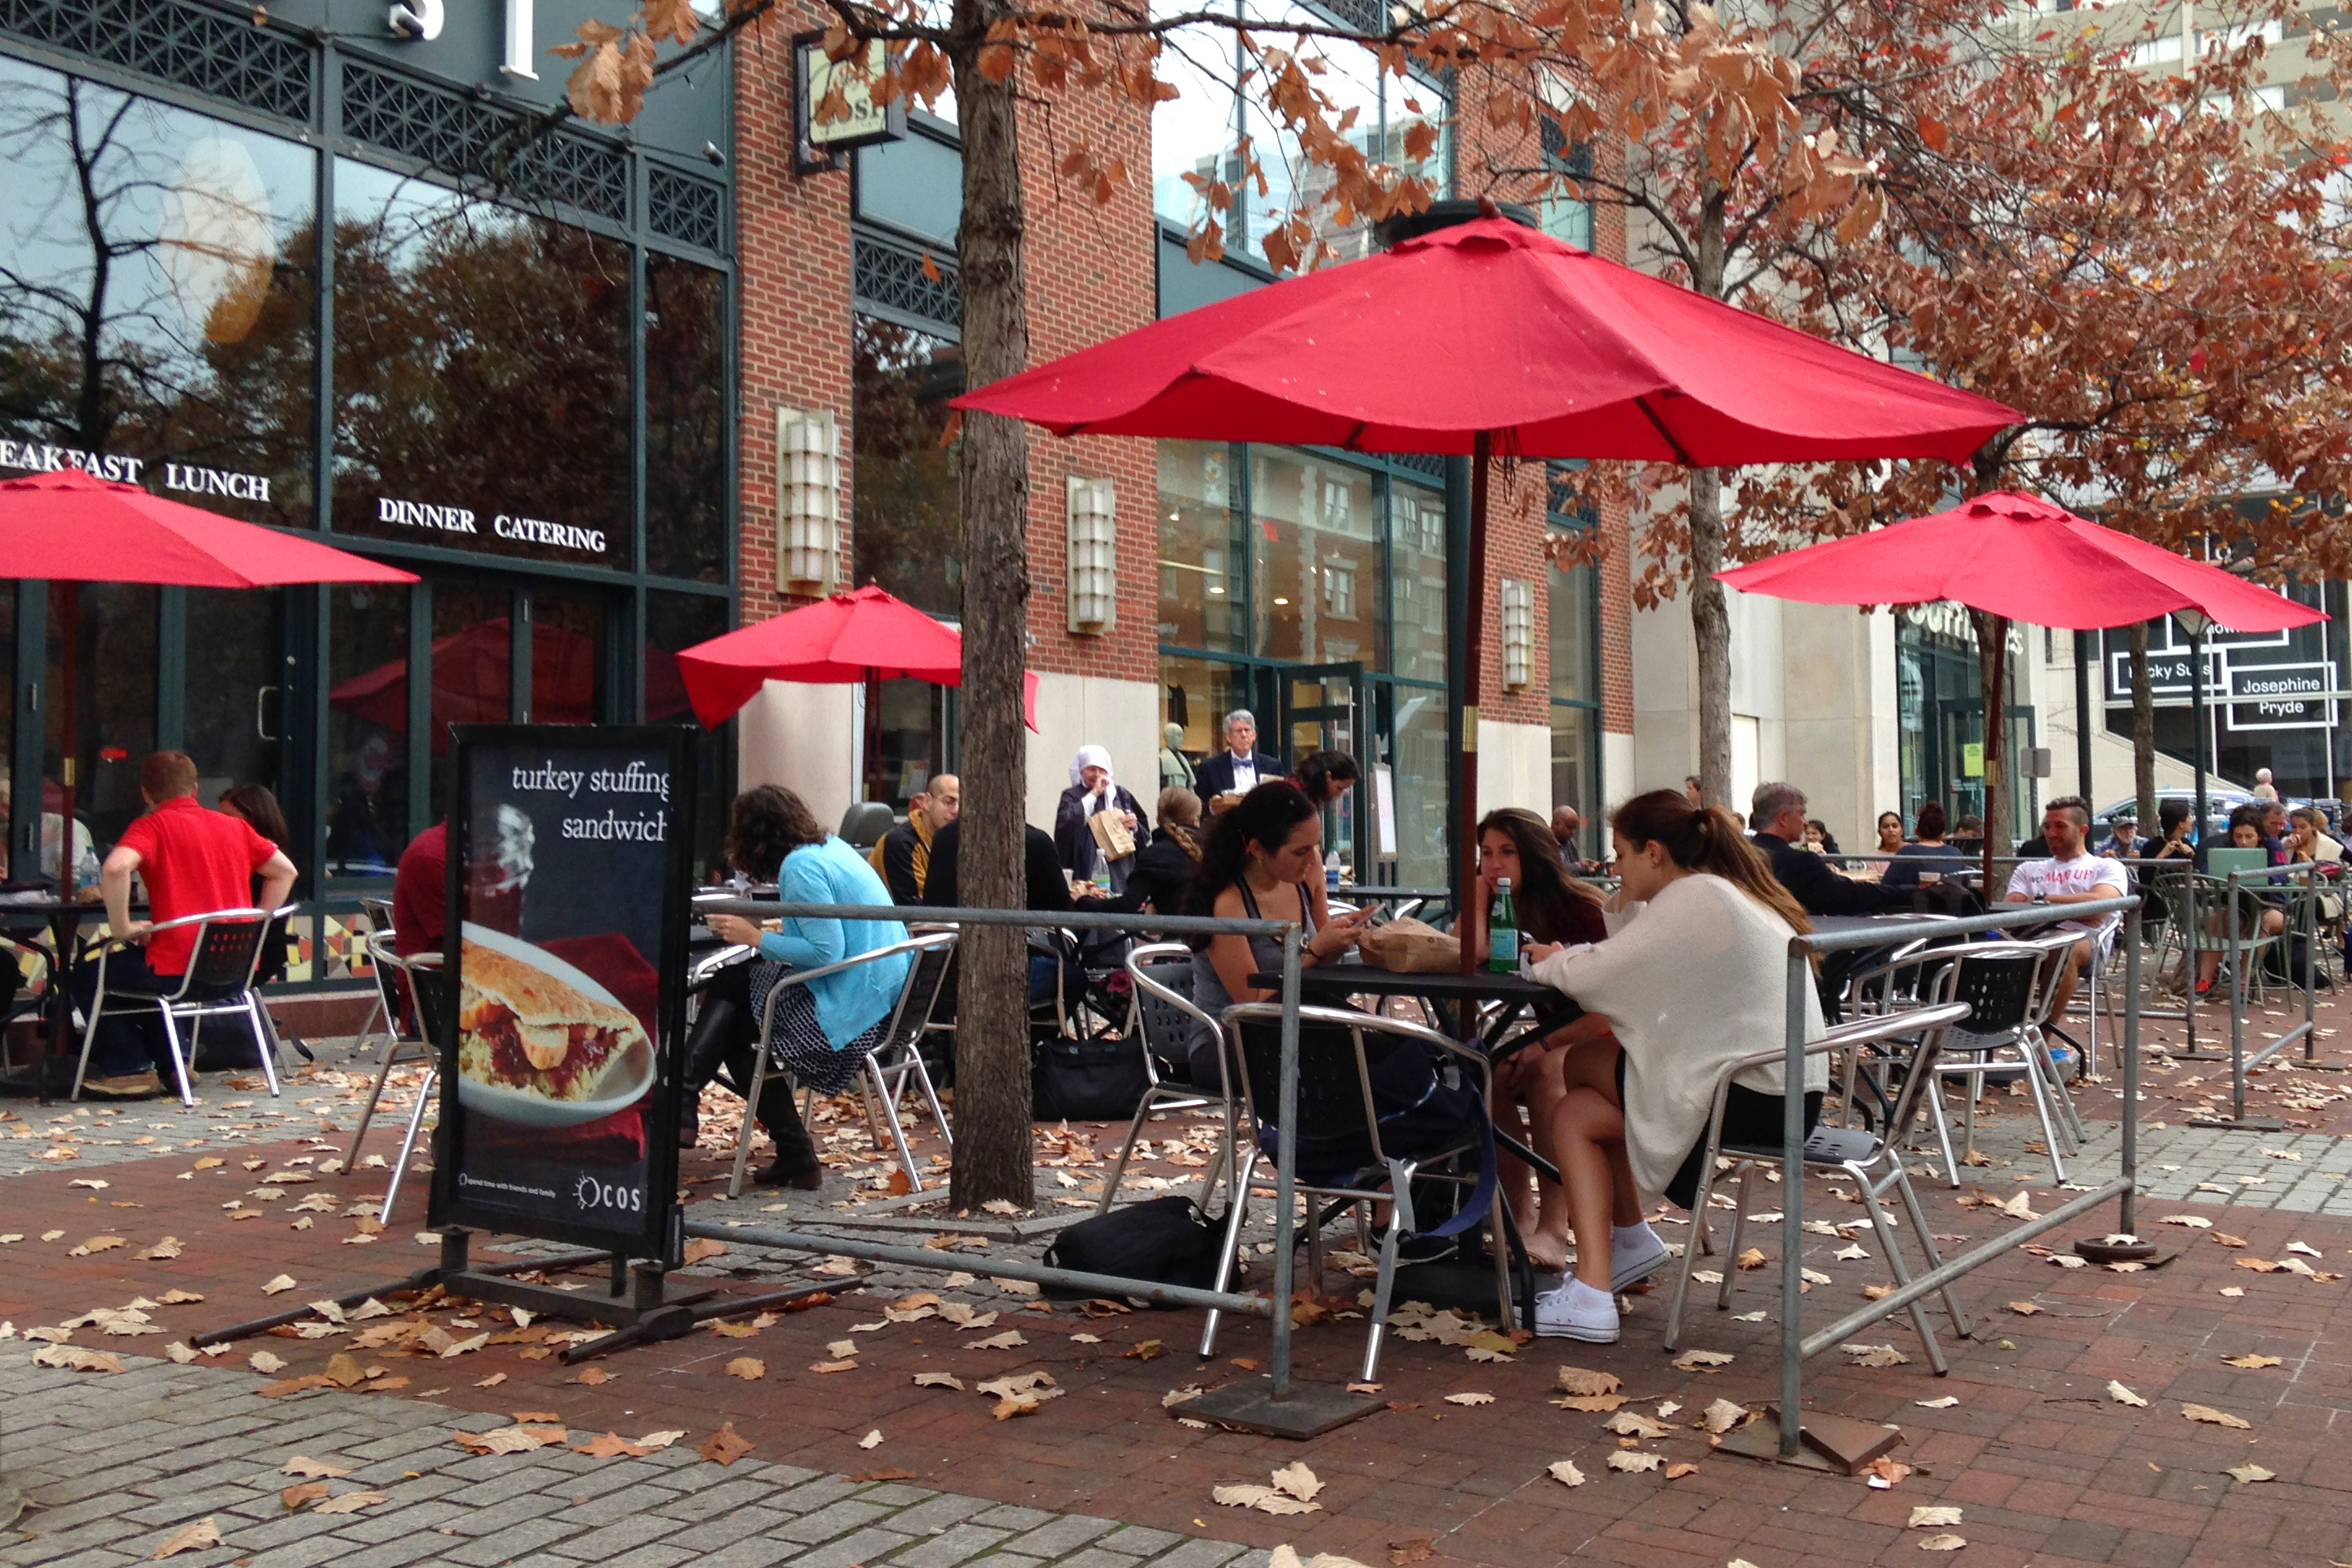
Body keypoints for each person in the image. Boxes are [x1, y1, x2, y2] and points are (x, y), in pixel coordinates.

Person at [1519, 790, 1827, 1343]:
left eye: (1620, 854)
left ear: (1653, 852)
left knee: (1585, 1065)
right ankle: (1623, 1247)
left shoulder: (1696, 896)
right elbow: (1633, 957)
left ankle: (1597, 1286)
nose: (1613, 868)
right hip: (1779, 1091)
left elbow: (1601, 975)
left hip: (1755, 1098)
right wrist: (1622, 902)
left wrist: (1548, 962)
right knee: (1577, 1113)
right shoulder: (1719, 891)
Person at [695, 786, 913, 1188]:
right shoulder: (832, 847)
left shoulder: (800, 868)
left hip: (850, 1016)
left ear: (756, 838)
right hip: (883, 1000)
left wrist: (753, 937)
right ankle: (689, 1097)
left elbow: (826, 953)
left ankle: (684, 1093)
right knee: (738, 1012)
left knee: (732, 997)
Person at [74, 752, 297, 1097]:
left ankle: (129, 1067)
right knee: (132, 975)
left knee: (91, 973)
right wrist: (257, 919)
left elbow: (116, 869)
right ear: (194, 789)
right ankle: (174, 1065)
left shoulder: (151, 826)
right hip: (233, 973)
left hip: (175, 970)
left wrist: (123, 928)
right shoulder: (235, 826)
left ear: (146, 793)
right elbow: (285, 871)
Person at [1465, 808, 1610, 1265]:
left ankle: (1555, 1227)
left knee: (1545, 1069)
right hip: (1554, 1033)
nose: (1495, 864)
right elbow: (1469, 958)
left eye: (1507, 852)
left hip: (1608, 1037)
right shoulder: (1498, 903)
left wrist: (1543, 1045)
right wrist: (1475, 898)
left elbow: (1609, 1010)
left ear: (1535, 854)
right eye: (1486, 853)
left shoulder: (1582, 908)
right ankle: (1519, 1215)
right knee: (1486, 1067)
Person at [1182, 782, 1374, 1090]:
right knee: (1346, 1056)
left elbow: (1322, 965)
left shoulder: (1306, 877)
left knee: (1377, 1044)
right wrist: (1314, 950)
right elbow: (1252, 1004)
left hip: (1296, 1023)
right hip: (1227, 1039)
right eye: (1300, 851)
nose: (1312, 859)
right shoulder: (1228, 902)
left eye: (1315, 846)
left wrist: (1337, 944)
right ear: (1257, 849)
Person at [2004, 796, 2128, 1022]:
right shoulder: (2028, 868)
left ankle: (2044, 1031)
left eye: (2060, 826)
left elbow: (2099, 907)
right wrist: (2077, 907)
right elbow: (2011, 911)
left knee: (2062, 944)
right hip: (2028, 939)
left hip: (2085, 942)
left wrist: (2041, 898)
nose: (2051, 833)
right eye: (2048, 826)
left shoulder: (2107, 866)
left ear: (2083, 830)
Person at [1750, 782, 1899, 916]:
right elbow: (1847, 895)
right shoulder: (1800, 863)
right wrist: (1908, 893)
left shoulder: (1743, 855)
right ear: (1783, 818)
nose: (1805, 822)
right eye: (1801, 814)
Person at [1052, 746, 1150, 892]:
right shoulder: (1072, 796)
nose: (1097, 775)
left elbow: (1143, 833)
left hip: (1122, 867)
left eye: (1101, 770)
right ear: (1081, 771)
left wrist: (1133, 827)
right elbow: (1066, 827)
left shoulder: (1121, 795)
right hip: (1087, 864)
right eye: (1091, 769)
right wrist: (1093, 795)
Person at [1103, 786, 1205, 919]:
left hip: (1180, 936)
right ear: (1195, 820)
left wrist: (1083, 901)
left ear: (1158, 820)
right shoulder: (1215, 849)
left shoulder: (1155, 855)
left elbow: (1126, 905)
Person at [870, 775, 959, 904]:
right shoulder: (900, 843)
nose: (956, 811)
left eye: (961, 804)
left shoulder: (952, 840)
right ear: (927, 802)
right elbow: (917, 909)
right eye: (949, 802)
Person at [1193, 710, 1286, 813]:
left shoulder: (1272, 766)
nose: (1244, 735)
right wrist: (1213, 808)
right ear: (1228, 737)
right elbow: (1198, 807)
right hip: (1227, 825)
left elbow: (1283, 800)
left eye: (1247, 730)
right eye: (1238, 731)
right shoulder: (1210, 767)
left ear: (1254, 735)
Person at [391, 819, 449, 960]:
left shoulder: (483, 849)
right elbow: (456, 938)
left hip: (470, 967)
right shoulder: (431, 856)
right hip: (433, 975)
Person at [1880, 802, 1967, 891]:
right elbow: (1966, 885)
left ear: (1917, 831)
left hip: (1916, 904)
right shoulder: (1956, 854)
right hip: (1953, 904)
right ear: (1942, 834)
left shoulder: (1907, 853)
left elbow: (1886, 888)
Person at [1293, 750, 1360, 808]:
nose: (1339, 794)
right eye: (1339, 788)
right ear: (1328, 776)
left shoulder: (1309, 797)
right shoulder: (1296, 796)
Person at [1159, 723, 1194, 792]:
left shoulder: (1183, 760)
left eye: (1182, 736)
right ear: (1169, 736)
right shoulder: (1162, 760)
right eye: (1178, 735)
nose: (1182, 739)